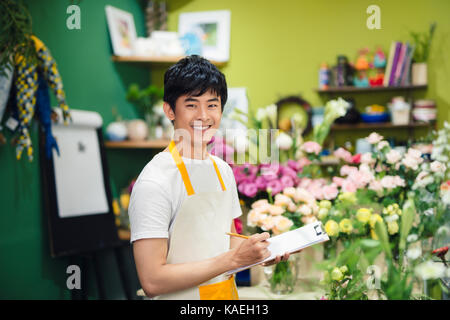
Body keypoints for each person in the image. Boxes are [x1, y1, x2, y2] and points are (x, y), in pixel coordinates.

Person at [129, 55, 292, 300]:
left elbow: (226, 245)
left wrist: (263, 252)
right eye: (192, 104)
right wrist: (233, 258)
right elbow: (152, 280)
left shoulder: (222, 170)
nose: (204, 116)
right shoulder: (154, 182)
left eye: (212, 105)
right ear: (169, 110)